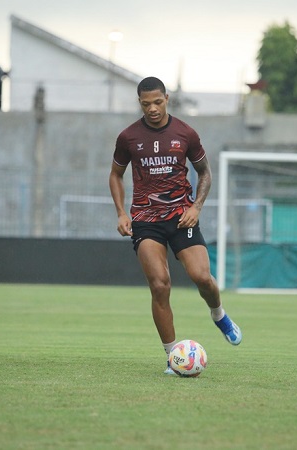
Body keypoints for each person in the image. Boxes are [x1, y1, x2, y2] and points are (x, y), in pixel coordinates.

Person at [109, 76, 242, 374]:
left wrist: (196, 207)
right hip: (145, 220)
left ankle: (219, 315)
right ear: (139, 103)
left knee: (202, 277)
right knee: (159, 285)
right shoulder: (128, 137)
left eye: (157, 102)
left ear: (167, 98)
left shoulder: (186, 133)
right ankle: (173, 357)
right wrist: (121, 212)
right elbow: (115, 175)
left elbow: (205, 173)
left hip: (182, 217)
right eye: (146, 104)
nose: (152, 109)